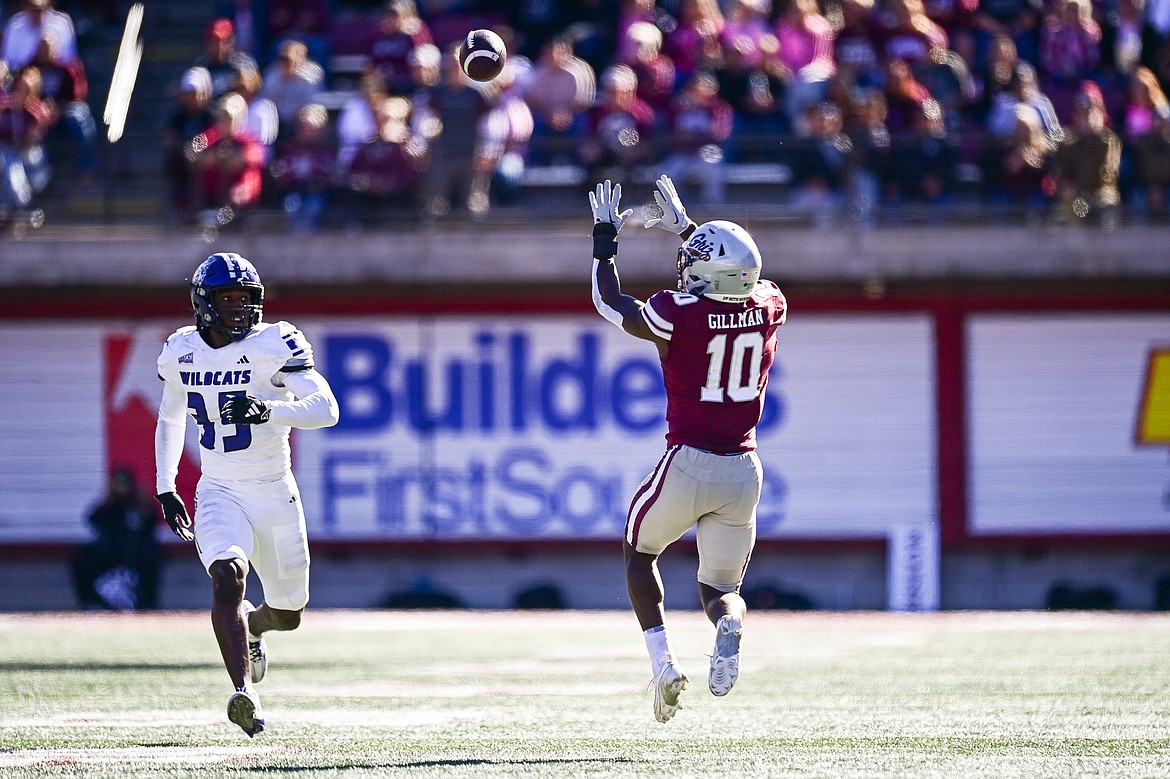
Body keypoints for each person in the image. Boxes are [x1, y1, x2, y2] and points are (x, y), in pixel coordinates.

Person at [587, 175, 787, 723]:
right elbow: (735, 279)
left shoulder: (680, 313)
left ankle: (663, 664)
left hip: (689, 461)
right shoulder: (770, 303)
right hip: (744, 469)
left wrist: (605, 237)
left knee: (639, 552)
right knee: (720, 589)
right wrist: (689, 230)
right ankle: (732, 621)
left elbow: (609, 301)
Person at [154, 252, 340, 737]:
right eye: (228, 298)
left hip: (275, 491)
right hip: (219, 489)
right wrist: (165, 485)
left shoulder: (274, 343)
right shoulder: (180, 351)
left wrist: (268, 409)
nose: (239, 308)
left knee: (289, 613)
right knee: (226, 575)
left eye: (246, 298)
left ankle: (255, 629)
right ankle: (244, 692)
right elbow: (171, 418)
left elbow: (326, 409)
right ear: (204, 302)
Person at [70, 467, 162, 611]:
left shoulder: (139, 505)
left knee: (152, 556)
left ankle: (146, 604)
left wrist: (144, 505)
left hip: (136, 554)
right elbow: (92, 519)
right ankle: (90, 601)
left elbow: (153, 523)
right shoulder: (109, 506)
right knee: (82, 556)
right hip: (109, 553)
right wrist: (107, 501)